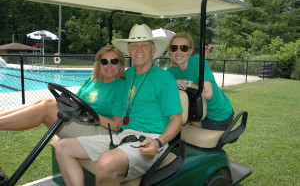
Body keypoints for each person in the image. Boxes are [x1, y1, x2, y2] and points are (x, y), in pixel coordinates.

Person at [55, 24, 183, 186]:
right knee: (63, 147)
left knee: (106, 162)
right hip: (123, 135)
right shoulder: (126, 76)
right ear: (129, 51)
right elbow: (105, 90)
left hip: (150, 139)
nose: (139, 50)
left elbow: (177, 120)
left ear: (153, 50)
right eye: (134, 46)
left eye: (144, 45)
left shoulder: (165, 79)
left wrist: (159, 142)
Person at [0, 45, 126, 136]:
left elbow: (115, 125)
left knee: (46, 107)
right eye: (104, 61)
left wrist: (89, 113)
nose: (109, 65)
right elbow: (77, 103)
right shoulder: (91, 81)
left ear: (120, 64)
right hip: (80, 120)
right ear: (99, 64)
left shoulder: (121, 86)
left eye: (114, 61)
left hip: (100, 130)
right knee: (44, 101)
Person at [167, 32, 234, 130]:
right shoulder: (171, 72)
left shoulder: (198, 61)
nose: (178, 52)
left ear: (190, 51)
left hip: (217, 115)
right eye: (174, 48)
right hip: (196, 114)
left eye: (183, 48)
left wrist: (187, 83)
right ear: (170, 51)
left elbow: (208, 94)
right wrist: (173, 83)